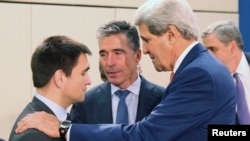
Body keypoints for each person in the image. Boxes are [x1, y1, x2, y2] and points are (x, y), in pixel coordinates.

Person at [15, 0, 236, 140]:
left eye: (147, 40)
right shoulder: (204, 68)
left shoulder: (199, 74)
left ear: (171, 34)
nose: (147, 50)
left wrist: (65, 129)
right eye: (103, 54)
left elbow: (146, 134)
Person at [70, 20, 164, 125]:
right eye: (103, 54)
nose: (109, 63)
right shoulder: (85, 103)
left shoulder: (163, 99)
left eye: (117, 53)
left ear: (137, 56)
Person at [9, 35, 92, 141]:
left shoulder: (62, 121)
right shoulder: (33, 136)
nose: (88, 81)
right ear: (60, 78)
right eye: (83, 73)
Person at [202, 20, 250, 124]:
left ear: (232, 47)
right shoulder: (206, 82)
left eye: (213, 49)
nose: (207, 56)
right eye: (205, 51)